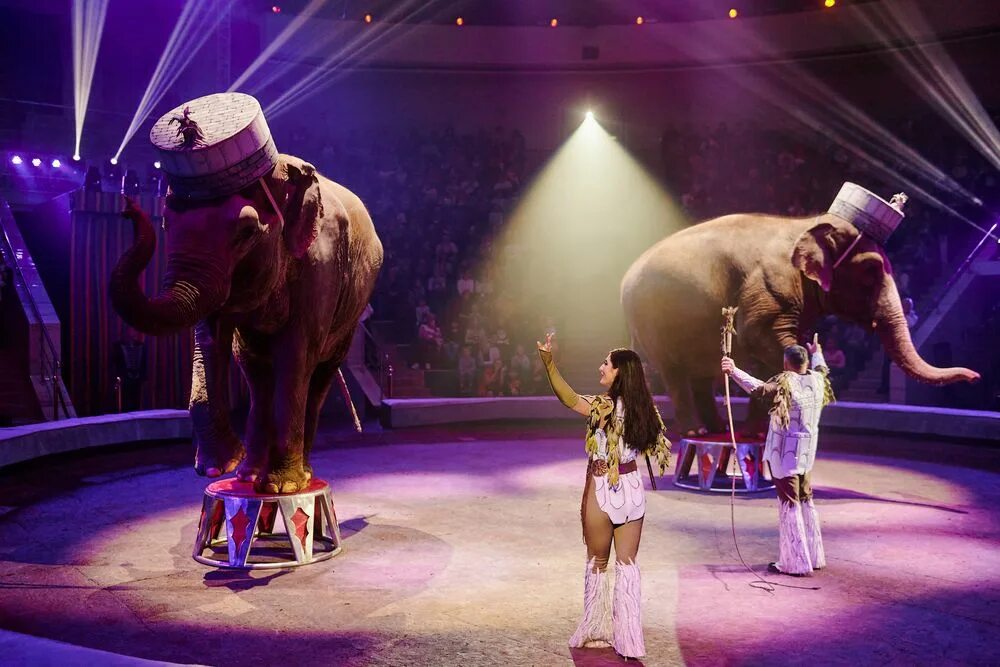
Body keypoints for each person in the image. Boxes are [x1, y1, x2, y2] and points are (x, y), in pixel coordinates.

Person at [537, 333, 671, 659]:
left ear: (618, 373)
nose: (601, 367)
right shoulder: (645, 409)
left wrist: (549, 362)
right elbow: (654, 445)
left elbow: (569, 399)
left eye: (606, 365)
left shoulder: (606, 406)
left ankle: (596, 630)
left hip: (604, 488)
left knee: (598, 562)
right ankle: (629, 640)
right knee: (628, 565)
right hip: (633, 491)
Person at [721, 335, 834, 576]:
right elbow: (822, 368)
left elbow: (759, 388)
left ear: (785, 363)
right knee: (805, 499)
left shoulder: (787, 383)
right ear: (805, 362)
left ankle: (795, 562)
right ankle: (813, 556)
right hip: (806, 453)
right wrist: (817, 352)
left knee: (790, 503)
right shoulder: (818, 380)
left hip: (786, 454)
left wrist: (733, 371)